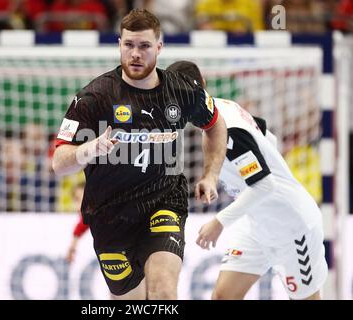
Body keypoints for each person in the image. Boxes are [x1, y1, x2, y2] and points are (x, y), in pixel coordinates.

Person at [52, 9, 227, 300]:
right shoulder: (94, 98)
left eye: (144, 46)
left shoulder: (182, 92)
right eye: (128, 45)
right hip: (110, 214)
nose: (135, 53)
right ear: (119, 44)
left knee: (163, 292)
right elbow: (59, 163)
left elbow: (215, 124)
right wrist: (90, 148)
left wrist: (211, 174)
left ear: (159, 47)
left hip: (163, 200)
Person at [167, 60, 328, 300]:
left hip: (291, 226)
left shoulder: (227, 129)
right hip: (256, 223)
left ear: (198, 90)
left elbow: (265, 184)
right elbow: (265, 134)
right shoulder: (222, 109)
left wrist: (219, 222)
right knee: (223, 297)